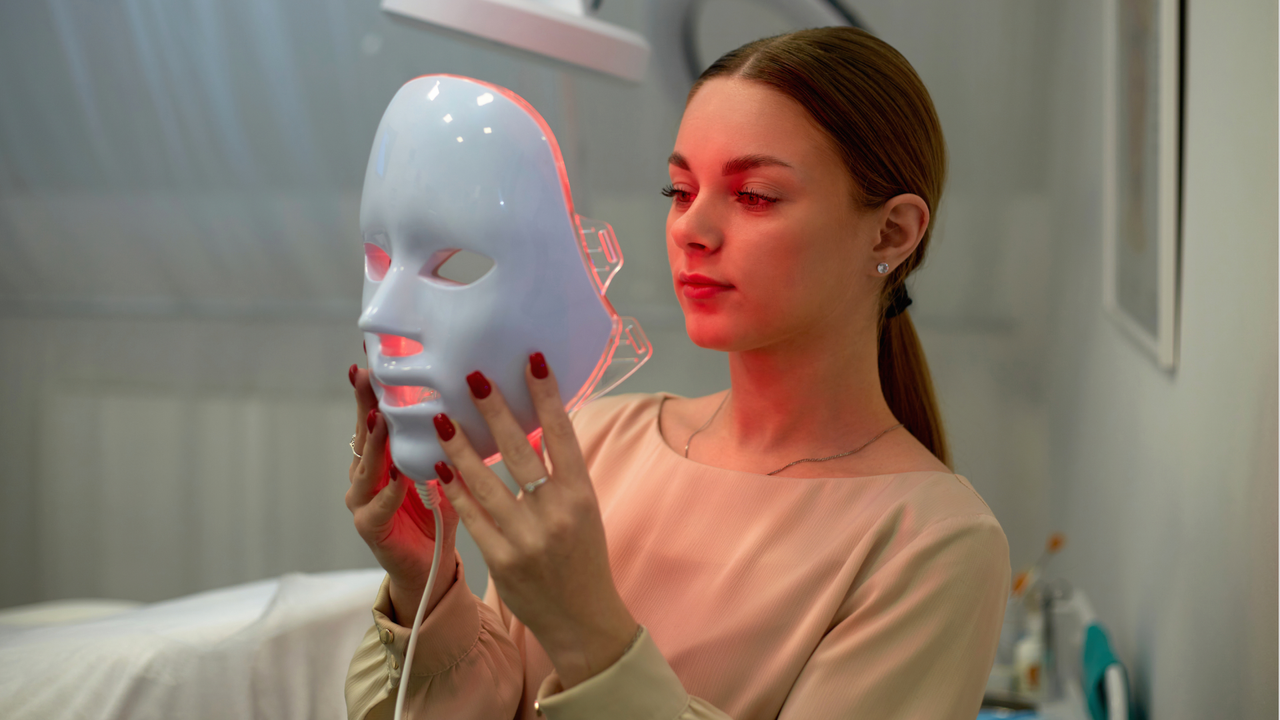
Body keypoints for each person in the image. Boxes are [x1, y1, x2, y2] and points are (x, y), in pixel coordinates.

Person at [343, 27, 1010, 720]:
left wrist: (590, 632)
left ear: (892, 233)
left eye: (753, 195)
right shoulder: (595, 441)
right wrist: (428, 583)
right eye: (680, 188)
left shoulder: (935, 545)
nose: (693, 227)